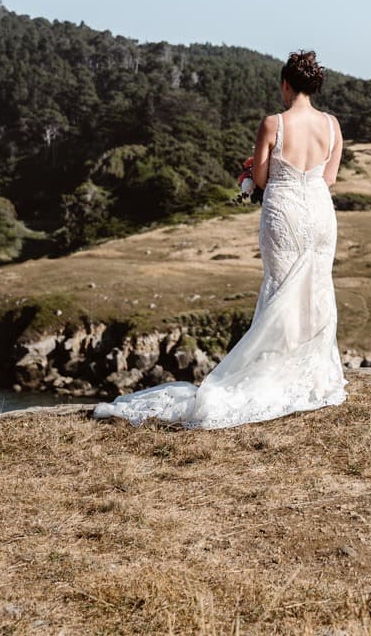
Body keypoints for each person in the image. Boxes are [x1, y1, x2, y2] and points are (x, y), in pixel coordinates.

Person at [93, 50, 348, 429]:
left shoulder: (273, 123)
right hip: (320, 212)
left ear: (286, 85)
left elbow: (261, 179)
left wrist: (248, 171)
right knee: (316, 287)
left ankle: (274, 370)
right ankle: (311, 374)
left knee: (280, 287)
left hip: (285, 212)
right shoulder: (331, 125)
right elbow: (328, 179)